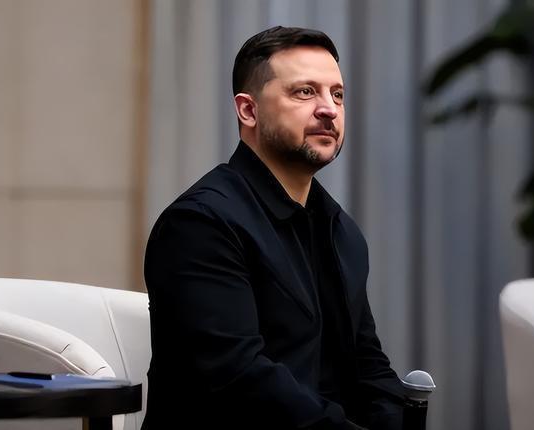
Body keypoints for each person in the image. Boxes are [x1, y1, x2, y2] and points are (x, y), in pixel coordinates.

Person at [142, 26, 406, 430]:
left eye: (337, 94)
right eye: (305, 92)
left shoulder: (341, 231)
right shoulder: (200, 224)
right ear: (248, 111)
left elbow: (369, 366)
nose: (329, 109)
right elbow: (239, 381)